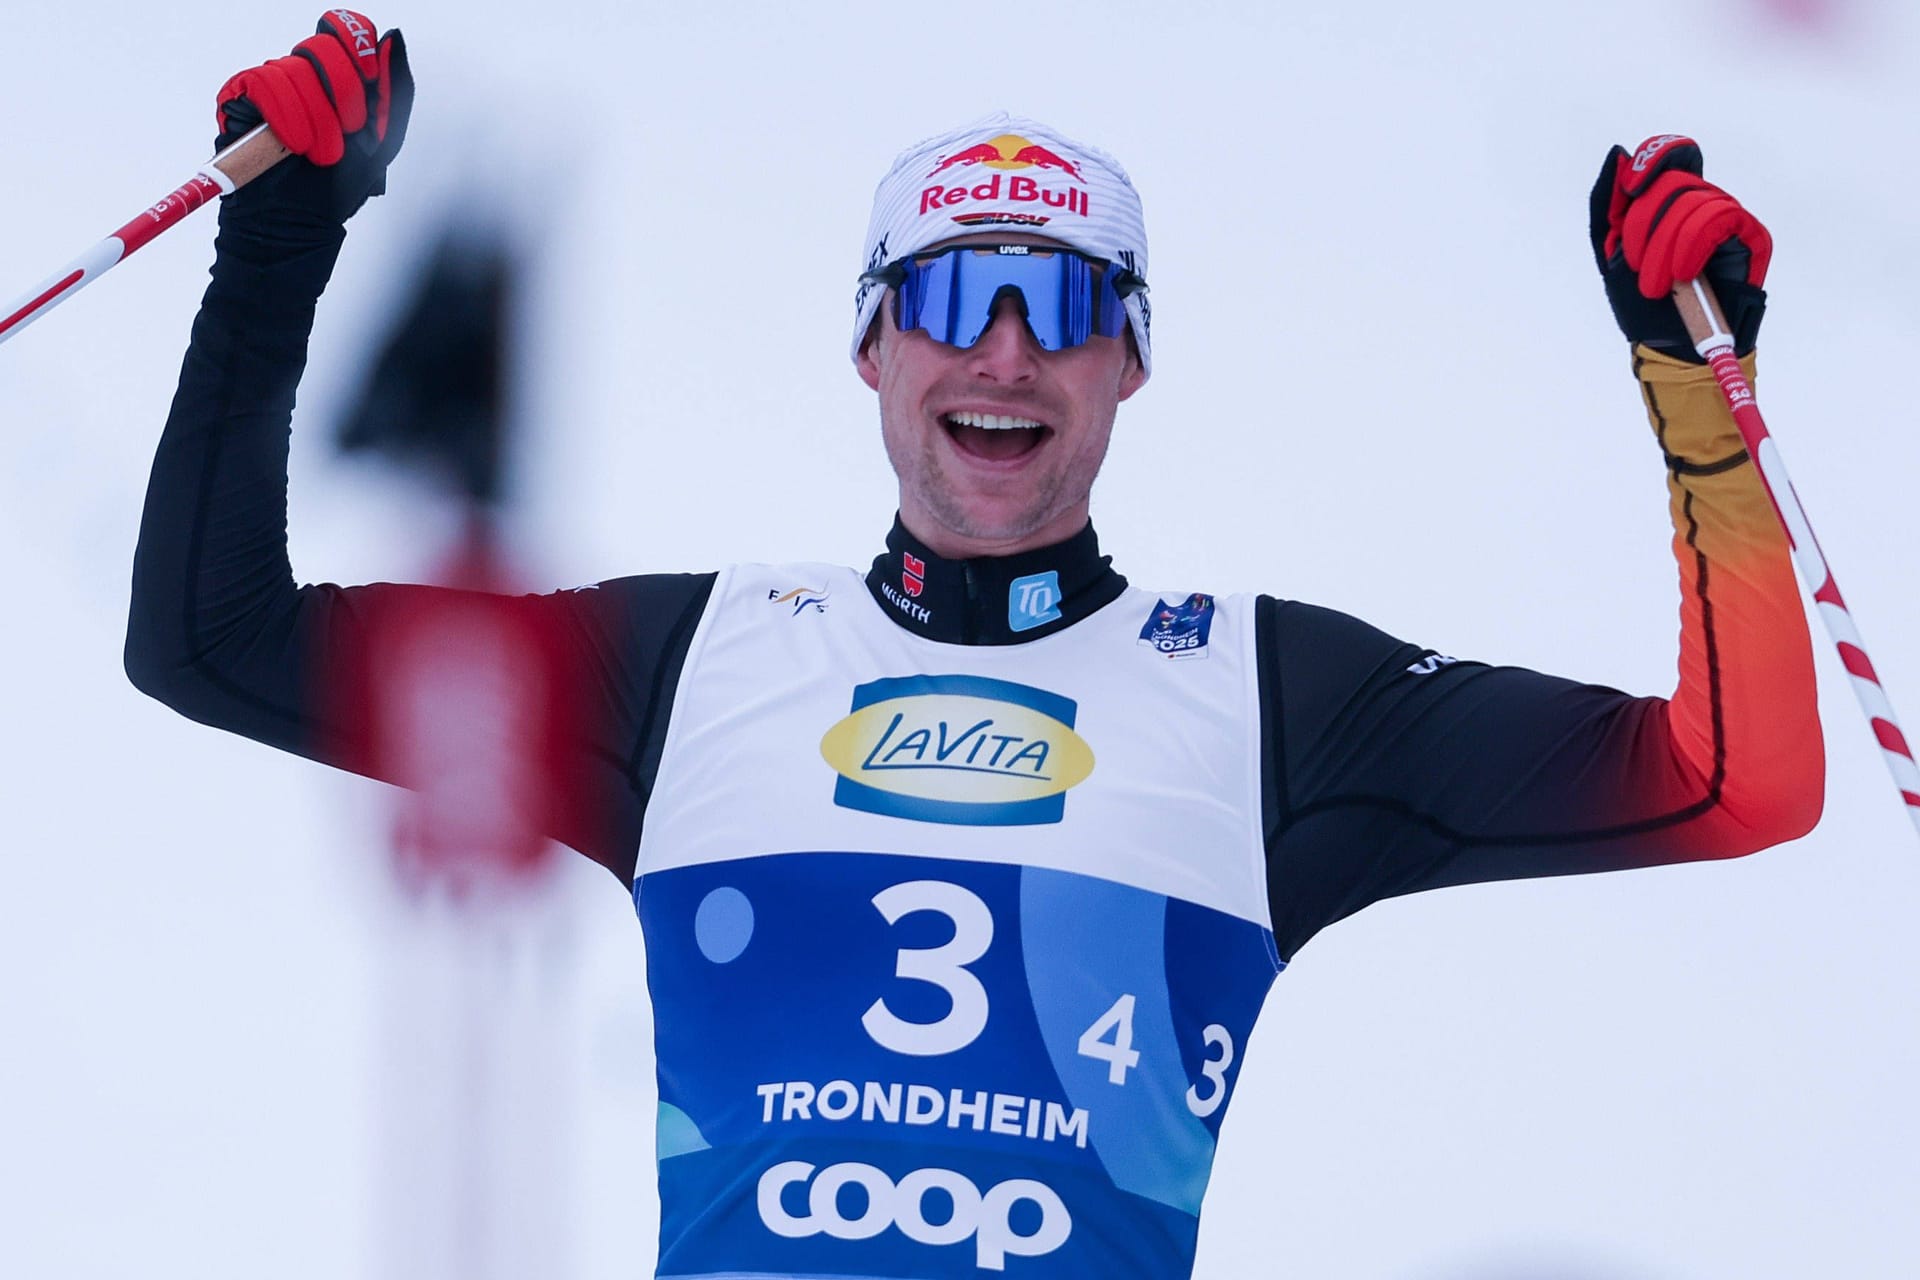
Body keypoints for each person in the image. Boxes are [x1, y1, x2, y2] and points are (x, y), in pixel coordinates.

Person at [125, 13, 1823, 1280]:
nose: (1004, 355)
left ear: (1130, 365)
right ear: (871, 346)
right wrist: (282, 238)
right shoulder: (689, 664)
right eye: (948, 300)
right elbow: (211, 644)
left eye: (1068, 305)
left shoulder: (1276, 703)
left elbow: (1735, 781)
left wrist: (1701, 400)